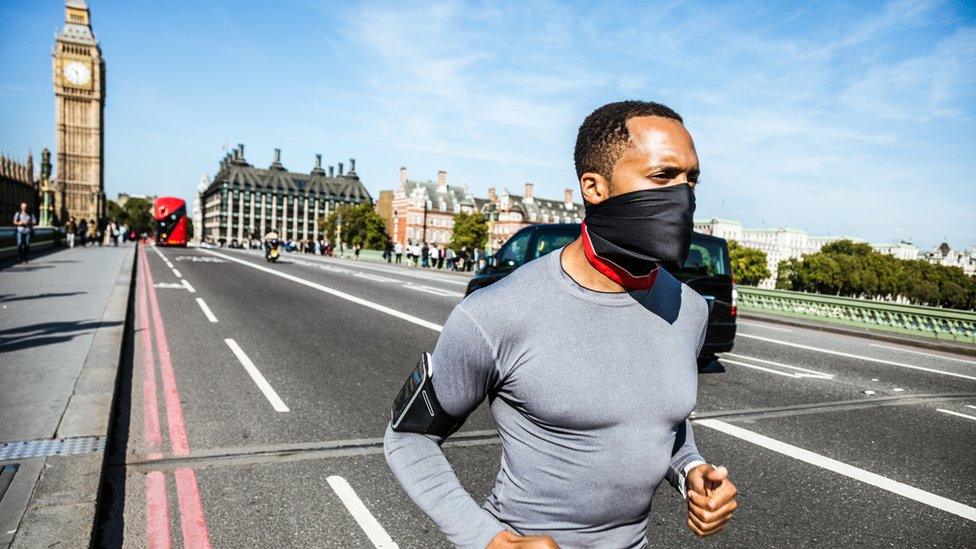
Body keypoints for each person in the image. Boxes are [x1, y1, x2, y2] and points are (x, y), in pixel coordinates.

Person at [384, 101, 737, 548]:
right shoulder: (497, 312)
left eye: (691, 179)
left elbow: (661, 422)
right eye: (662, 177)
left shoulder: (688, 307)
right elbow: (408, 438)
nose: (682, 196)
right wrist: (487, 540)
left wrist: (691, 472)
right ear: (594, 187)